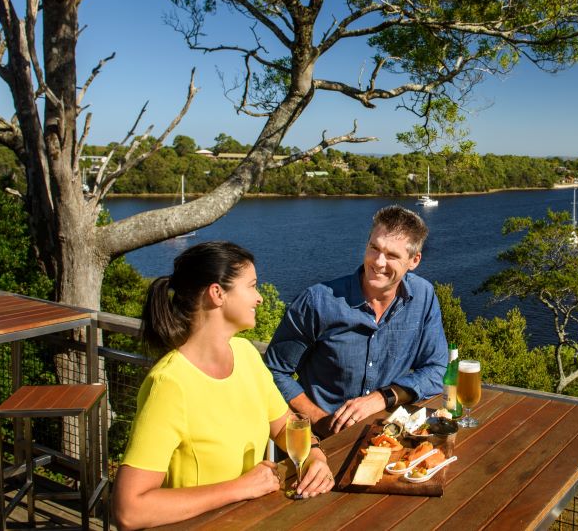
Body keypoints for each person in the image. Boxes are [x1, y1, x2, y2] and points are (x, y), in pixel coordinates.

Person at [113, 241, 334, 530]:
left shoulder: (245, 355)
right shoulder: (170, 384)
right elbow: (129, 510)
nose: (260, 298)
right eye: (252, 286)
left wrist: (315, 455)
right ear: (217, 293)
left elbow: (285, 426)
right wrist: (240, 487)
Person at [266, 205, 448, 436]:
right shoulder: (317, 302)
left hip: (385, 435)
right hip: (318, 440)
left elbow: (437, 368)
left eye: (392, 255)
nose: (378, 262)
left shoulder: (423, 296)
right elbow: (273, 371)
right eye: (374, 248)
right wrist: (320, 421)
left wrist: (383, 397)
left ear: (414, 260)